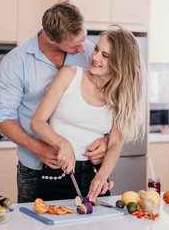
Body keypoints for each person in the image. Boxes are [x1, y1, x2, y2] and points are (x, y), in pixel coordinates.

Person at [0, 1, 109, 203]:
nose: (83, 48)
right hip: (36, 168)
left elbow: (107, 104)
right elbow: (3, 117)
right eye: (75, 45)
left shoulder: (90, 53)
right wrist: (38, 148)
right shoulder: (16, 62)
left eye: (83, 38)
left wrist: (106, 140)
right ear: (51, 39)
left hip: (84, 166)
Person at [30, 24, 146, 202]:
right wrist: (63, 143)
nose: (95, 56)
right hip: (57, 174)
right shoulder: (69, 75)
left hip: (94, 175)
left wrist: (102, 175)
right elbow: (37, 122)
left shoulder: (120, 97)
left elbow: (115, 142)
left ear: (120, 64)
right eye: (97, 49)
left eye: (105, 55)